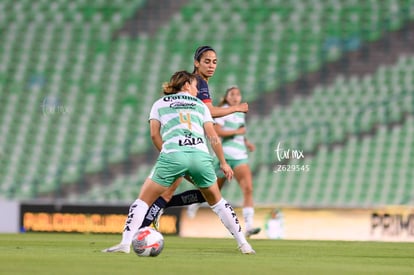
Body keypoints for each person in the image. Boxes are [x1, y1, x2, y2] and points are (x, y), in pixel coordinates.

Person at [102, 71, 255, 254]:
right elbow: (213, 137)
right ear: (185, 85)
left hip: (173, 155)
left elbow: (154, 134)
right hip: (200, 156)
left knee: (143, 201)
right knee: (218, 202)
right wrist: (223, 163)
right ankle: (244, 244)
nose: (197, 90)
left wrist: (169, 155)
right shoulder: (200, 105)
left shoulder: (159, 104)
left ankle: (125, 244)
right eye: (194, 85)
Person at [138, 46, 249, 228]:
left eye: (214, 62)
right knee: (201, 191)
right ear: (196, 63)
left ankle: (154, 215)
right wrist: (236, 108)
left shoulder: (197, 83)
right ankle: (143, 228)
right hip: (189, 146)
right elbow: (210, 111)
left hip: (182, 145)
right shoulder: (199, 82)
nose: (211, 65)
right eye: (207, 61)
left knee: (179, 190)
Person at [187, 86, 261, 237]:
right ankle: (195, 202)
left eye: (238, 94)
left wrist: (246, 142)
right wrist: (236, 132)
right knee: (213, 190)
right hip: (225, 157)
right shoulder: (225, 111)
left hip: (240, 156)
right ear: (226, 97)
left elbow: (239, 132)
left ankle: (249, 226)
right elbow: (218, 132)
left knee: (248, 189)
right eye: (232, 94)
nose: (235, 97)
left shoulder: (239, 112)